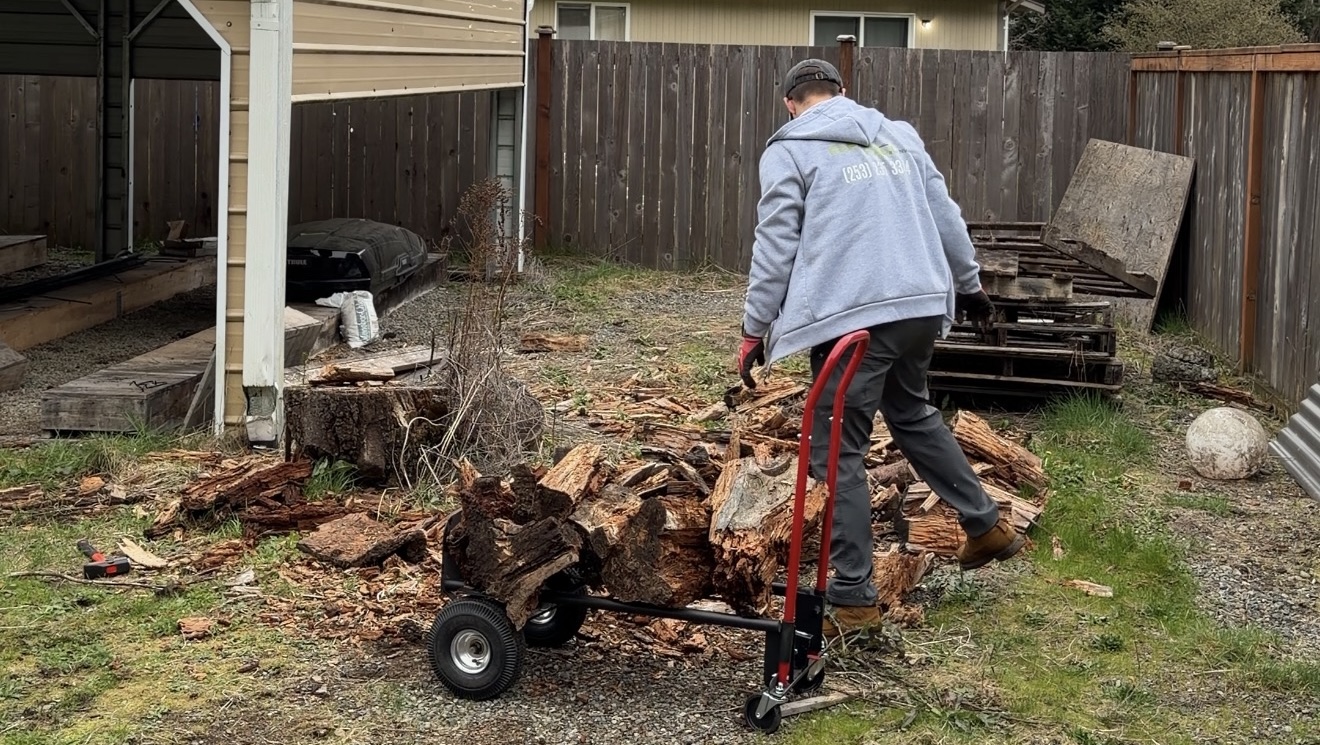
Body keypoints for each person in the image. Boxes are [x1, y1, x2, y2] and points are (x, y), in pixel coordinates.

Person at [736, 58, 1026, 638]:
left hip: (854, 322)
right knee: (913, 411)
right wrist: (968, 285)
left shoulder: (789, 149)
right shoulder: (897, 134)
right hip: (919, 305)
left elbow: (775, 242)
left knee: (836, 446)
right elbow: (946, 214)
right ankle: (985, 523)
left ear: (790, 104)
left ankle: (851, 597)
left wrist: (753, 328)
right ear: (843, 93)